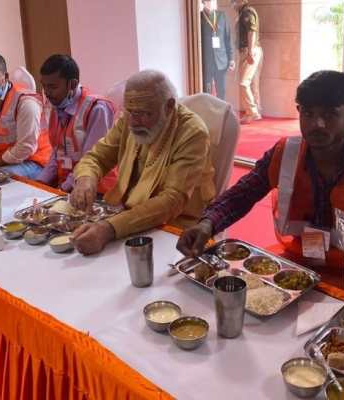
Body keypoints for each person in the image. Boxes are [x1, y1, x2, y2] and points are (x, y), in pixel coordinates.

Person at [177, 70, 344, 297]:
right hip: (292, 266)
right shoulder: (285, 153)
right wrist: (207, 224)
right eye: (308, 113)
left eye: (330, 115)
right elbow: (242, 194)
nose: (317, 124)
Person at [69, 70, 215, 255]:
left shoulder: (192, 133)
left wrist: (109, 228)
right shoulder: (128, 120)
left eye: (144, 113)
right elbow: (97, 157)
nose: (135, 122)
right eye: (130, 111)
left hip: (177, 229)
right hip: (128, 217)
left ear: (169, 106)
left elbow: (172, 201)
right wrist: (85, 179)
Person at [35, 54, 115, 192]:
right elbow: (57, 153)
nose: (47, 93)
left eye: (52, 87)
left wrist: (63, 189)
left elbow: (90, 161)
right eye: (44, 86)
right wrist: (40, 183)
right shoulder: (57, 104)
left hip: (96, 189)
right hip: (68, 185)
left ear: (72, 84)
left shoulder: (97, 109)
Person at [0, 52, 52, 179]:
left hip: (34, 161)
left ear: (5, 77)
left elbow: (26, 147)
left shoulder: (26, 102)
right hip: (3, 160)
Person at [231, 0, 262, 124]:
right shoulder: (242, 12)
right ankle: (251, 112)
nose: (233, 3)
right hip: (246, 51)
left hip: (250, 50)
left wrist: (250, 52)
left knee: (244, 83)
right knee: (247, 82)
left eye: (235, 1)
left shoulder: (247, 12)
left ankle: (253, 112)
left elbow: (251, 32)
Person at [200, 0, 234, 100]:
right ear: (203, 2)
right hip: (206, 62)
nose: (210, 3)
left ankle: (221, 113)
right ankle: (209, 113)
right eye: (207, 1)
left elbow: (227, 39)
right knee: (207, 91)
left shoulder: (222, 16)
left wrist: (231, 59)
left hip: (221, 61)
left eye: (211, 1)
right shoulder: (199, 17)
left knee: (221, 91)